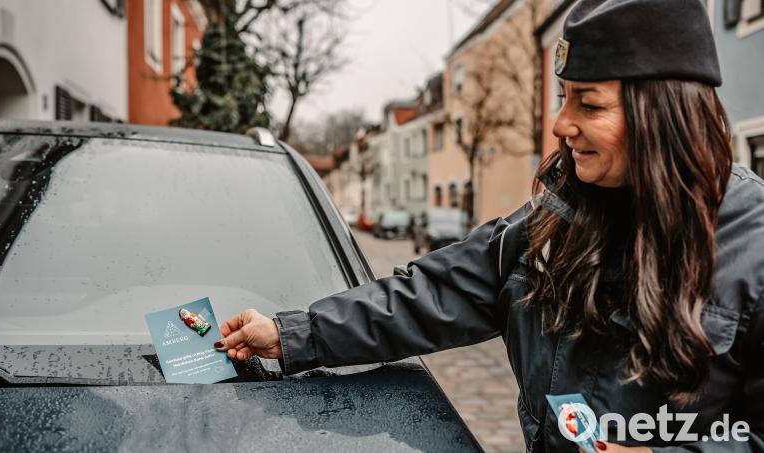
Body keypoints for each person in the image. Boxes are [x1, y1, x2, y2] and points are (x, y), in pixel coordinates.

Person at [214, 0, 764, 451]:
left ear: (663, 114)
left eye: (589, 105)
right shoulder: (555, 221)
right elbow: (430, 293)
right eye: (563, 98)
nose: (561, 124)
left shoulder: (754, 247)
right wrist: (292, 335)